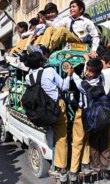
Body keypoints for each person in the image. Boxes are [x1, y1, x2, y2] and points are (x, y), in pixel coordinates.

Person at [24, 52, 71, 182]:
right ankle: (61, 170)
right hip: (56, 108)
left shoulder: (28, 77)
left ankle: (53, 160)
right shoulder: (49, 71)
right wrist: (69, 75)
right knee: (61, 138)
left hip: (42, 111)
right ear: (41, 63)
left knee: (51, 133)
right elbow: (64, 87)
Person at [67, 58, 103, 181]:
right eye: (87, 69)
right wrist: (87, 62)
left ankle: (73, 171)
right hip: (93, 115)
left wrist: (71, 74)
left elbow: (78, 82)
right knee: (87, 140)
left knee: (77, 142)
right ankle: (85, 164)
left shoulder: (87, 86)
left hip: (82, 113)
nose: (87, 73)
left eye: (90, 71)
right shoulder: (100, 80)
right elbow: (85, 75)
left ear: (97, 73)